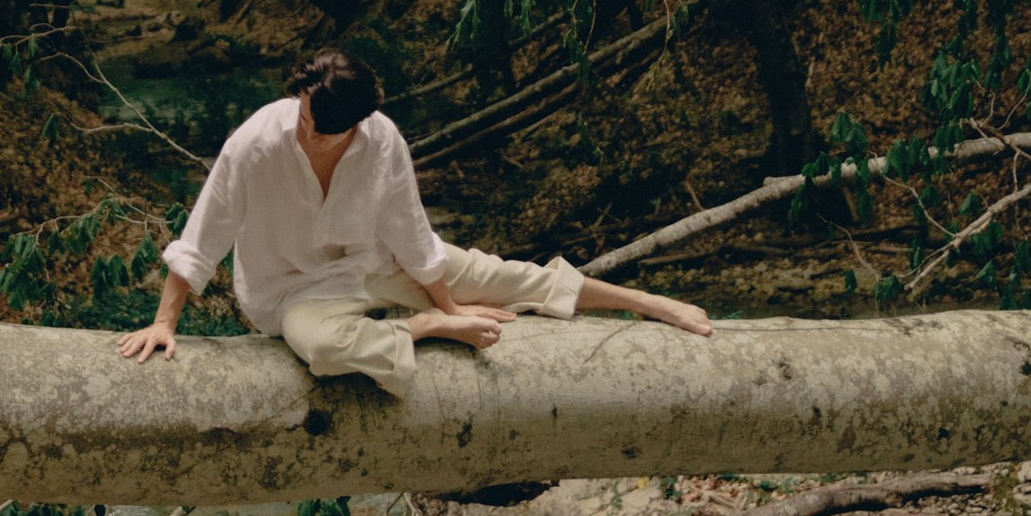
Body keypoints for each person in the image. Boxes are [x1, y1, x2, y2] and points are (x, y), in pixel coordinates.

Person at [117, 50, 711, 393]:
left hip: (377, 262)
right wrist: (164, 322)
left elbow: (410, 230)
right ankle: (418, 327)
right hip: (293, 291)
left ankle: (649, 303)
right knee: (322, 349)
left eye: (317, 125)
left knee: (504, 276)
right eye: (300, 114)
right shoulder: (256, 142)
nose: (303, 129)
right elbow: (205, 235)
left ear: (353, 125)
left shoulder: (380, 140)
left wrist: (453, 301)